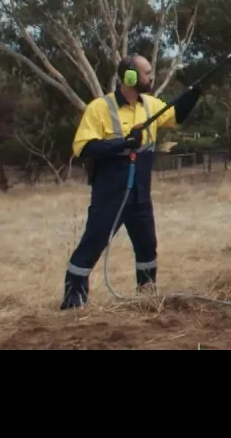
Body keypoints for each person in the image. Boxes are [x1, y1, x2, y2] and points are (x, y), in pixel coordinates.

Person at [61, 53, 203, 310]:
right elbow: (82, 146)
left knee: (147, 246)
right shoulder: (100, 108)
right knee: (93, 244)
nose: (152, 77)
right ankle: (73, 299)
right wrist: (122, 143)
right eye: (147, 73)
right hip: (110, 193)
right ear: (130, 77)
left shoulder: (150, 104)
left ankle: (147, 295)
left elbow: (175, 115)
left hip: (140, 193)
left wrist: (195, 91)